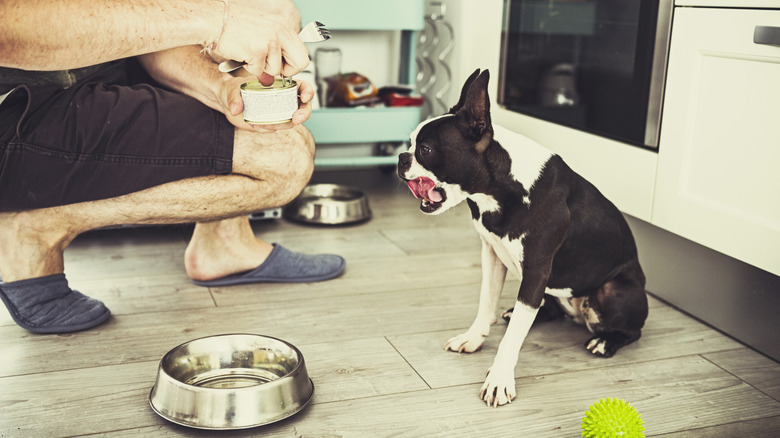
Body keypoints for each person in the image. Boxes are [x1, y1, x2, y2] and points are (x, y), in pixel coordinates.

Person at [0, 0, 345, 334]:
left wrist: (224, 89)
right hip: (19, 104)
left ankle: (225, 241)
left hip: (94, 74)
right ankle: (34, 226)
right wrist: (217, 20)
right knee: (284, 158)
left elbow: (147, 31)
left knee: (267, 8)